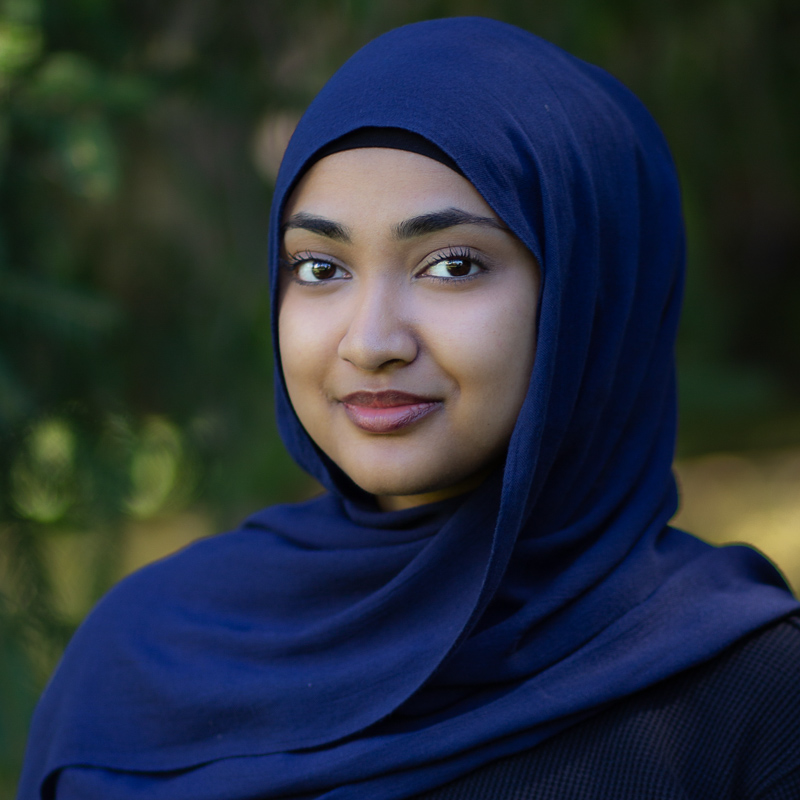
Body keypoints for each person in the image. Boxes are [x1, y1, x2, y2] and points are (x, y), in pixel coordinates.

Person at [18, 17, 800, 800]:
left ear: (590, 300)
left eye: (452, 265)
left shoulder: (749, 694)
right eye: (320, 267)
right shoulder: (139, 664)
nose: (371, 341)